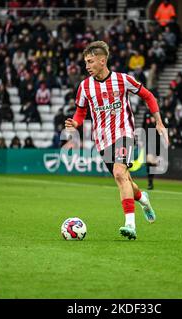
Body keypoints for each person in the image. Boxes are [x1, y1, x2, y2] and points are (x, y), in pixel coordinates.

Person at [65, 41, 169, 240]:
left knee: (119, 172)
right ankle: (143, 198)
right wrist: (76, 124)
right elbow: (80, 112)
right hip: (102, 141)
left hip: (124, 134)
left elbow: (149, 96)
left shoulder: (122, 80)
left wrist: (159, 122)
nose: (86, 66)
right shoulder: (85, 86)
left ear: (102, 61)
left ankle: (130, 225)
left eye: (90, 61)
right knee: (125, 180)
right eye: (85, 62)